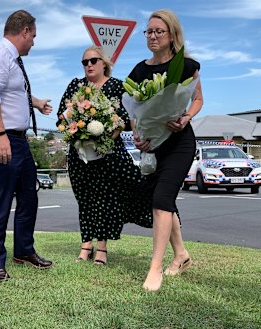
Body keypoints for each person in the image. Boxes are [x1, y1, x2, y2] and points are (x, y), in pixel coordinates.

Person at [127, 9, 204, 291]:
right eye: (149, 31)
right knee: (164, 201)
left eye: (159, 31)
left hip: (180, 143)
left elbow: (197, 100)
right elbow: (135, 111)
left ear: (172, 34)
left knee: (161, 200)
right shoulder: (139, 70)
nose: (153, 36)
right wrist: (139, 136)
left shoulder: (186, 66)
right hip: (154, 146)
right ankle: (181, 255)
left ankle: (155, 268)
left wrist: (184, 119)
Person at [57, 46, 153, 266]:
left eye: (93, 60)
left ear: (104, 63)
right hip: (80, 155)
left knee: (105, 201)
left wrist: (106, 139)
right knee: (85, 200)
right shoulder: (76, 85)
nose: (89, 65)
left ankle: (101, 247)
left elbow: (124, 118)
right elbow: (63, 115)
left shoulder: (116, 86)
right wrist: (76, 131)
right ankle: (85, 244)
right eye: (85, 62)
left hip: (107, 155)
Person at [0, 9, 54, 283]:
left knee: (29, 198)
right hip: (2, 137)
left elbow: (13, 92)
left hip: (19, 141)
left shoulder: (12, 60)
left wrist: (36, 102)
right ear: (24, 31)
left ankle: (24, 251)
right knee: (1, 202)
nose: (33, 41)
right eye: (33, 36)